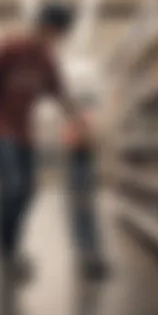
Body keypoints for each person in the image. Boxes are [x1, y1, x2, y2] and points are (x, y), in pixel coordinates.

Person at [0, 2, 90, 281]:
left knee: (28, 191)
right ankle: (6, 255)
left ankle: (12, 249)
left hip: (25, 134)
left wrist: (79, 121)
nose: (58, 39)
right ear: (47, 26)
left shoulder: (47, 59)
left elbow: (60, 93)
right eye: (58, 32)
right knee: (11, 188)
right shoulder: (9, 48)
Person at [63, 96, 108, 280]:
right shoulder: (73, 123)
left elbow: (94, 141)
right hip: (77, 165)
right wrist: (82, 134)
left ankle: (91, 254)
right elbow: (72, 142)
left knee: (86, 212)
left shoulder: (86, 120)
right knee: (81, 212)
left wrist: (86, 134)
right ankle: (87, 254)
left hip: (84, 165)